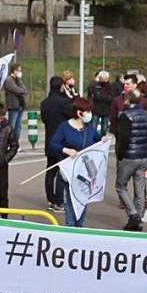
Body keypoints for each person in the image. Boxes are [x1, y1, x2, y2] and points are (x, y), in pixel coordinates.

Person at [48, 97, 100, 228]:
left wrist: (103, 140)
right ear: (79, 112)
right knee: (71, 200)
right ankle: (71, 227)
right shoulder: (64, 127)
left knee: (83, 200)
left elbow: (97, 140)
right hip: (69, 171)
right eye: (87, 111)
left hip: (86, 172)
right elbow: (53, 144)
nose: (90, 114)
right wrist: (66, 150)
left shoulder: (90, 128)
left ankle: (80, 226)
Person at [114, 91, 147, 231]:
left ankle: (133, 214)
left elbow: (123, 138)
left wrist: (120, 154)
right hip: (143, 155)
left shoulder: (126, 116)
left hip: (129, 156)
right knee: (140, 188)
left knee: (120, 185)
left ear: (128, 100)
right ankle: (139, 218)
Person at [39, 76, 74, 213]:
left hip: (49, 140)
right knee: (62, 171)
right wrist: (69, 95)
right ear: (61, 86)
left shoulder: (45, 103)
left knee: (50, 170)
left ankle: (50, 199)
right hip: (62, 142)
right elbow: (73, 113)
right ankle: (59, 201)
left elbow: (43, 119)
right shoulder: (64, 102)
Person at [2, 64, 27, 136]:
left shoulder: (18, 80)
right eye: (18, 70)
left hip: (20, 105)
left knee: (18, 127)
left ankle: (16, 143)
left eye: (20, 70)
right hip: (13, 106)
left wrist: (19, 82)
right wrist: (22, 90)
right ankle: (10, 142)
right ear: (14, 71)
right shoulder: (8, 80)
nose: (20, 72)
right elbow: (17, 90)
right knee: (11, 125)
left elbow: (25, 89)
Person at [88, 71, 115, 137]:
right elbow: (95, 96)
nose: (103, 80)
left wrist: (101, 97)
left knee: (104, 129)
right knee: (93, 127)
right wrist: (104, 97)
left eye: (104, 78)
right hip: (96, 110)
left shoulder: (110, 87)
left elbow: (111, 98)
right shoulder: (95, 86)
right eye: (101, 78)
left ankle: (102, 140)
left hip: (106, 110)